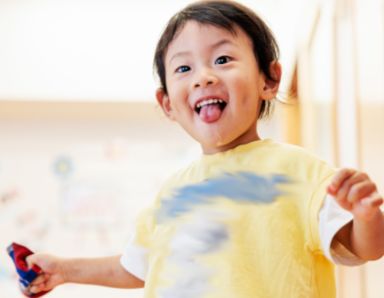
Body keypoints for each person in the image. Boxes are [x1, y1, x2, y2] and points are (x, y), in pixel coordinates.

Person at [22, 1, 384, 297]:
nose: (203, 77)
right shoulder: (172, 193)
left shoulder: (300, 171)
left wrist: (367, 217)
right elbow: (134, 266)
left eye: (223, 60)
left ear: (269, 79)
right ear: (167, 104)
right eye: (183, 67)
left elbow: (364, 248)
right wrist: (65, 270)